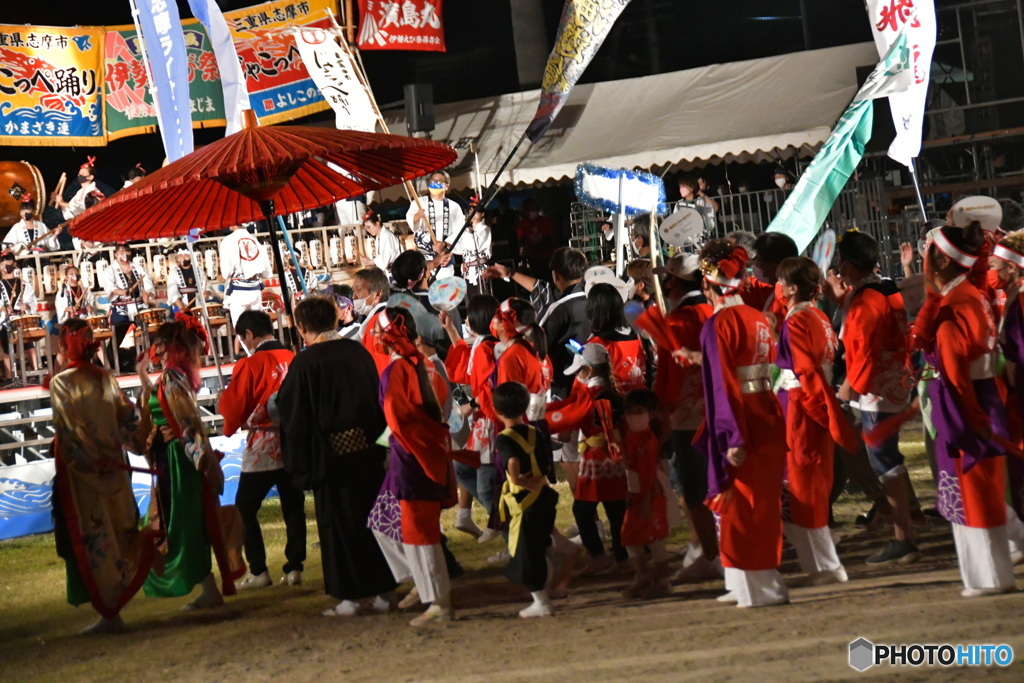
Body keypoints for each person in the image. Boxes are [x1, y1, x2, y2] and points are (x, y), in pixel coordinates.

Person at [915, 222, 1017, 596]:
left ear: (940, 260)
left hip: (967, 403)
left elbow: (956, 373)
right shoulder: (969, 294)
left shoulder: (954, 304)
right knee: (983, 491)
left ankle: (985, 577)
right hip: (984, 398)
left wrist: (969, 419)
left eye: (928, 252)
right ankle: (994, 574)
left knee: (972, 493)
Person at [277, 297, 397, 616]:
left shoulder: (305, 363)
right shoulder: (357, 351)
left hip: (331, 457)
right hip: (369, 451)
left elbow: (291, 410)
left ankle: (351, 596)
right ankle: (385, 589)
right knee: (374, 521)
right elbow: (377, 398)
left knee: (341, 526)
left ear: (302, 327)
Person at [697, 239, 788, 608]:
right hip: (766, 410)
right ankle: (764, 580)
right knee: (764, 501)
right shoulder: (757, 316)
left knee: (742, 503)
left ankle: (754, 586)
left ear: (709, 285)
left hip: (741, 417)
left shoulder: (718, 324)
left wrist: (731, 434)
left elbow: (722, 383)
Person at [49, 319, 156, 633]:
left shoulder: (62, 383)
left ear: (64, 345)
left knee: (96, 535)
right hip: (115, 470)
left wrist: (91, 462)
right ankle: (112, 610)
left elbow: (69, 433)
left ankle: (110, 613)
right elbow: (128, 422)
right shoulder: (106, 377)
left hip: (84, 477)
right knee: (116, 532)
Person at [140, 314, 244, 608]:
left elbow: (186, 423)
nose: (155, 350)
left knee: (180, 524)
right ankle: (208, 588)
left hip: (177, 460)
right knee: (185, 523)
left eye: (159, 344)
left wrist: (203, 461)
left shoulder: (172, 378)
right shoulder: (171, 377)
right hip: (172, 457)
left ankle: (206, 587)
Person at [835, 230, 919, 564]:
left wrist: (851, 386)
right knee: (886, 459)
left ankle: (904, 537)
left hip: (875, 389)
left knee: (884, 461)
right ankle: (906, 529)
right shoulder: (885, 288)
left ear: (846, 263)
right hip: (892, 383)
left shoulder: (867, 298)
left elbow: (863, 350)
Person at [367, 307, 455, 626]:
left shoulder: (399, 369)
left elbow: (397, 417)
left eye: (378, 331)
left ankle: (438, 601)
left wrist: (392, 446)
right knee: (383, 520)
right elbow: (440, 407)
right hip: (424, 450)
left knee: (420, 531)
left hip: (412, 455)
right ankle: (422, 582)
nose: (374, 337)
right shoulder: (425, 363)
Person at [775, 257, 856, 585]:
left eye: (781, 282)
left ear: (792, 288)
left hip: (802, 410)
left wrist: (815, 410)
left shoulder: (796, 321)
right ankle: (820, 563)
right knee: (809, 487)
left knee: (802, 488)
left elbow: (805, 373)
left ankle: (825, 565)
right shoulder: (818, 315)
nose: (778, 288)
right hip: (814, 406)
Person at [485, 247, 591, 487]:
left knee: (569, 454)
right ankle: (587, 511)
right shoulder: (590, 301)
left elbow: (537, 342)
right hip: (585, 385)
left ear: (556, 275)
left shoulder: (520, 350)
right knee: (574, 453)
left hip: (563, 390)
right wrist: (509, 273)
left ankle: (587, 512)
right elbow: (542, 289)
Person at [218, 310, 306, 590]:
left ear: (248, 335)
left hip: (264, 444)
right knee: (293, 504)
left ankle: (259, 570)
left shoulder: (251, 363)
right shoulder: (294, 357)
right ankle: (295, 567)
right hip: (293, 439)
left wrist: (230, 418)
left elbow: (235, 407)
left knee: (245, 505)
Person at [651, 254, 720, 583]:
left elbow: (669, 375)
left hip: (687, 417)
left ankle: (710, 554)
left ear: (673, 283)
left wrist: (662, 414)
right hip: (720, 411)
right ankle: (714, 550)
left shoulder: (677, 320)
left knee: (694, 490)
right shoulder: (714, 311)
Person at [548, 342, 628, 576]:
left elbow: (565, 423)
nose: (578, 377)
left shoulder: (589, 396)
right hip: (616, 458)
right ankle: (623, 557)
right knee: (616, 509)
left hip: (596, 459)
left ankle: (599, 556)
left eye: (580, 371)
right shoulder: (616, 392)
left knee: (582, 510)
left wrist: (541, 421)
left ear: (589, 371)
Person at [494, 381, 559, 618]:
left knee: (526, 552)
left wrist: (517, 480)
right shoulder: (536, 432)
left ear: (497, 411)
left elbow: (512, 462)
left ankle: (541, 602)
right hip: (543, 495)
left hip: (524, 501)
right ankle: (545, 594)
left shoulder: (504, 438)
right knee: (539, 548)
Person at [441, 295, 500, 540]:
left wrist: (471, 405)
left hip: (489, 423)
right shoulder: (482, 346)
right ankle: (500, 519)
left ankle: (502, 521)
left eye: (468, 316)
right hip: (482, 422)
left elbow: (488, 386)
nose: (465, 319)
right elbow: (467, 370)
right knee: (463, 468)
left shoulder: (486, 349)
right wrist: (452, 330)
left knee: (486, 486)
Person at [619, 388, 671, 599]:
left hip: (649, 494)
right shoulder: (633, 439)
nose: (633, 416)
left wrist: (647, 499)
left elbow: (648, 471)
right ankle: (644, 576)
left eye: (638, 411)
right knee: (630, 536)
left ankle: (661, 581)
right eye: (629, 411)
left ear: (650, 413)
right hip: (638, 494)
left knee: (654, 538)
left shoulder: (648, 441)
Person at [100, 242, 155, 372]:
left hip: (139, 305)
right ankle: (114, 366)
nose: (123, 255)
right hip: (121, 307)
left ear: (130, 253)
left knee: (151, 331)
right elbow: (110, 288)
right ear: (115, 254)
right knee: (117, 337)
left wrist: (147, 293)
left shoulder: (138, 267)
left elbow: (147, 283)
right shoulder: (109, 270)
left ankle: (151, 361)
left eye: (125, 252)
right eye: (119, 252)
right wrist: (122, 292)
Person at [585, 282, 646, 392]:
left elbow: (587, 386)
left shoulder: (596, 343)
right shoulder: (637, 336)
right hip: (640, 401)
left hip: (611, 405)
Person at [405, 170, 462, 278]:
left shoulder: (454, 207)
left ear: (446, 186)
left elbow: (459, 231)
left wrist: (445, 244)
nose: (435, 183)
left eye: (439, 181)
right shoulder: (419, 202)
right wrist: (417, 216)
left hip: (444, 255)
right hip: (425, 257)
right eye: (433, 180)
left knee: (445, 289)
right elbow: (412, 222)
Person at [219, 224, 271, 323]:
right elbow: (267, 273)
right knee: (258, 326)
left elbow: (225, 273)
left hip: (239, 290)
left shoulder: (228, 240)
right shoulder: (255, 241)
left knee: (240, 329)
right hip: (255, 288)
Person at [745, 232, 798, 327]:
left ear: (775, 266)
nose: (756, 264)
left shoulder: (784, 300)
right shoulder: (778, 290)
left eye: (759, 260)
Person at [0, 250, 38, 379]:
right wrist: (2, 308)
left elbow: (32, 301)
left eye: (9, 264)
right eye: (4, 264)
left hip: (23, 319)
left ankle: (36, 372)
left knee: (29, 347)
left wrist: (26, 306)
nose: (6, 267)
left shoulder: (23, 284)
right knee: (8, 350)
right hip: (6, 321)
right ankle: (10, 377)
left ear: (14, 264)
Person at [351, 266, 392, 372]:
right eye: (353, 291)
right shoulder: (373, 318)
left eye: (359, 290)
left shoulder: (381, 320)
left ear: (378, 294)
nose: (354, 297)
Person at [166, 248, 217, 313]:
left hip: (198, 304)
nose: (183, 258)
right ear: (177, 259)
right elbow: (172, 292)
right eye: (180, 256)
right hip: (181, 305)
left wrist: (207, 293)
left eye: (186, 256)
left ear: (191, 257)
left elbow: (206, 286)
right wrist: (181, 307)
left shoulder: (199, 270)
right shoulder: (173, 272)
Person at [516, 198, 555, 277]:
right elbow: (521, 241)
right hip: (532, 258)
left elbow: (550, 238)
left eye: (534, 208)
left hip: (546, 256)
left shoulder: (544, 221)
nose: (533, 211)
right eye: (530, 209)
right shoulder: (522, 224)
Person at [361, 209, 403, 273]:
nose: (368, 230)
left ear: (377, 224)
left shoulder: (387, 235)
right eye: (366, 228)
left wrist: (371, 262)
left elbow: (386, 256)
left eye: (369, 227)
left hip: (396, 269)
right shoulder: (379, 237)